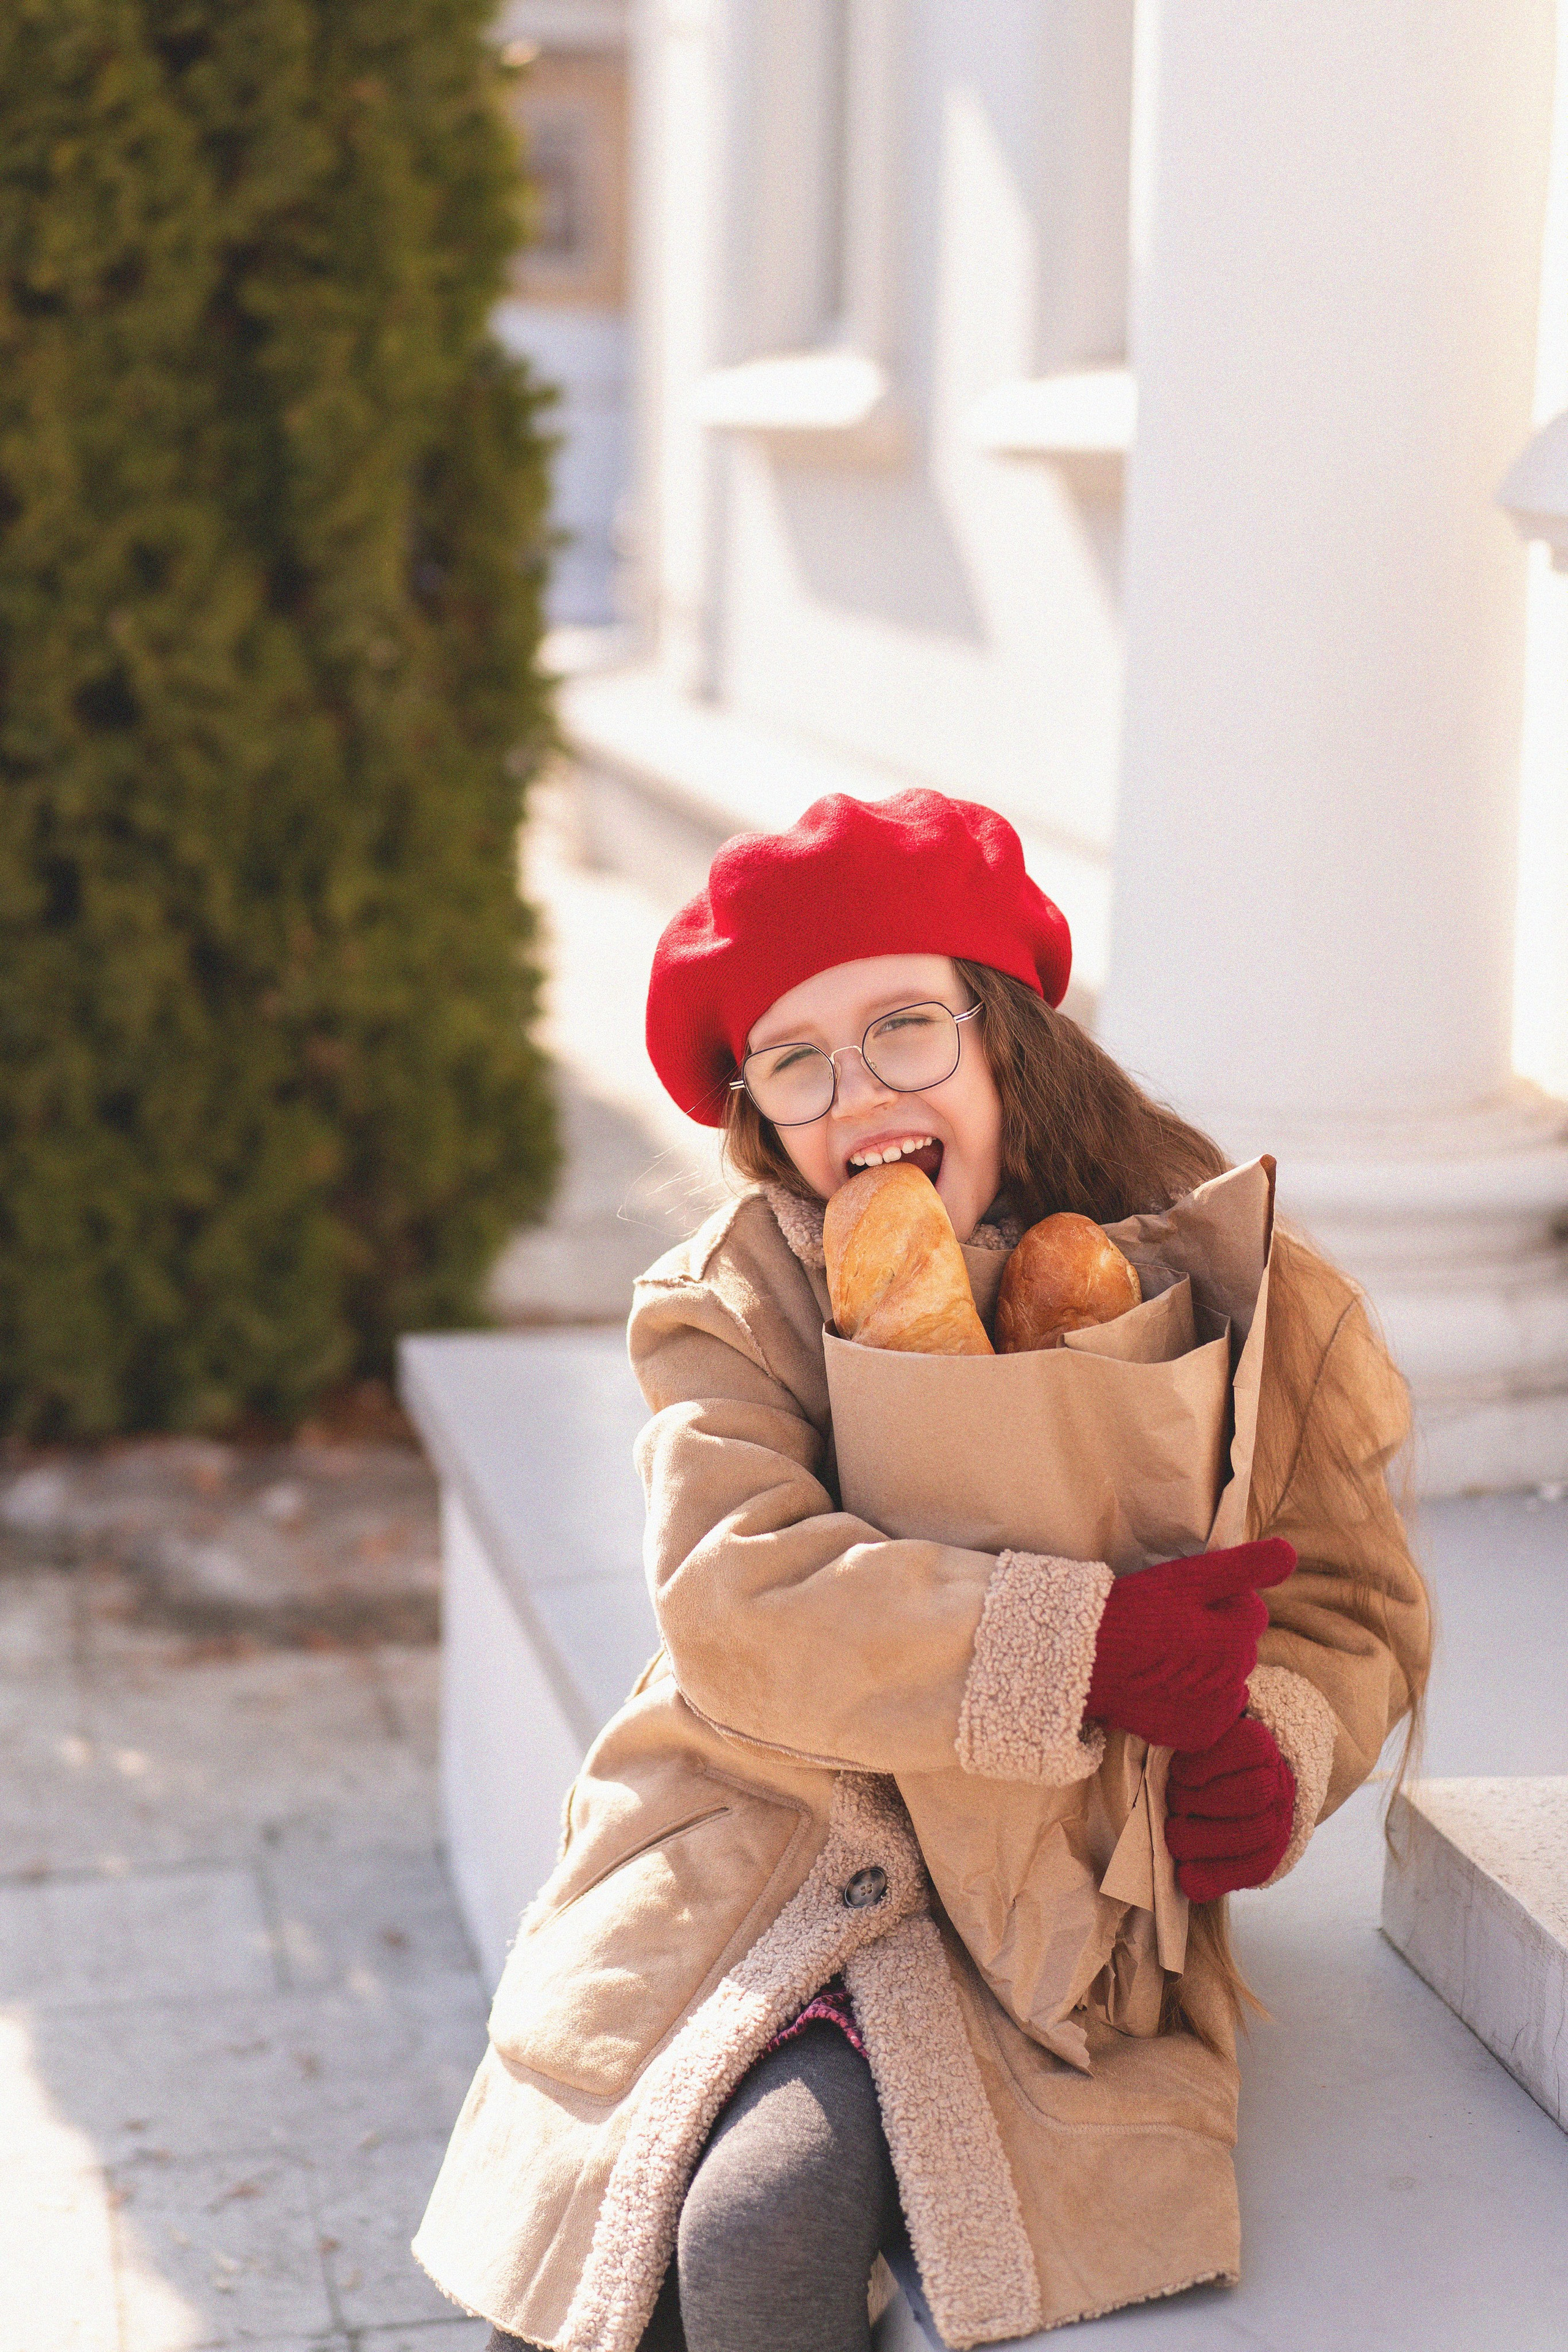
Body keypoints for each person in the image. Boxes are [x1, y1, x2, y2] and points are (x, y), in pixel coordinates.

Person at [413, 791, 1430, 2352]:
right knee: (598, 2260)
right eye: (796, 1058)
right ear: (755, 1108)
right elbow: (732, 1599)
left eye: (902, 1026)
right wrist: (1075, 1648)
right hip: (756, 1837)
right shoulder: (732, 1304)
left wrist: (1278, 1744)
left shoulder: (1224, 1283)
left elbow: (1343, 1596)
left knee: (753, 2229)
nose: (856, 1092)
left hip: (1034, 1907)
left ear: (1003, 1034)